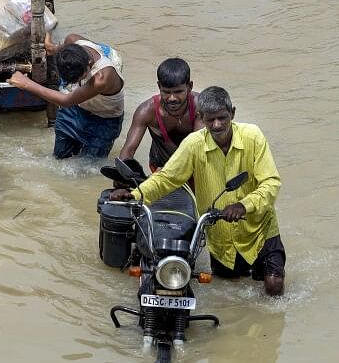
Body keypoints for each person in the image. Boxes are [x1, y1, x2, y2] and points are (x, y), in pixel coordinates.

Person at [109, 86, 286, 296]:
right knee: (230, 292)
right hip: (221, 236)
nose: (217, 125)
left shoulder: (253, 136)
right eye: (210, 120)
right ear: (201, 117)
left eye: (222, 118)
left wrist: (244, 205)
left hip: (259, 228)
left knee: (273, 286)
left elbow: (271, 182)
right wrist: (135, 194)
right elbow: (168, 178)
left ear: (233, 113)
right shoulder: (193, 144)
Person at [8, 34, 125, 159]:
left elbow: (66, 100)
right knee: (60, 158)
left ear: (89, 63)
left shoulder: (102, 78)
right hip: (76, 107)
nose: (75, 83)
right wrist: (53, 48)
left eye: (78, 79)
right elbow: (63, 51)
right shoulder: (72, 40)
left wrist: (27, 84)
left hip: (104, 119)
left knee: (89, 166)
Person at [117, 57, 203, 170]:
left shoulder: (201, 106)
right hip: (161, 168)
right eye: (166, 92)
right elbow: (129, 150)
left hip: (194, 166)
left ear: (190, 86)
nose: (172, 98)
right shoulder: (146, 111)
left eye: (178, 92)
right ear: (159, 86)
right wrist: (121, 174)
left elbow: (200, 147)